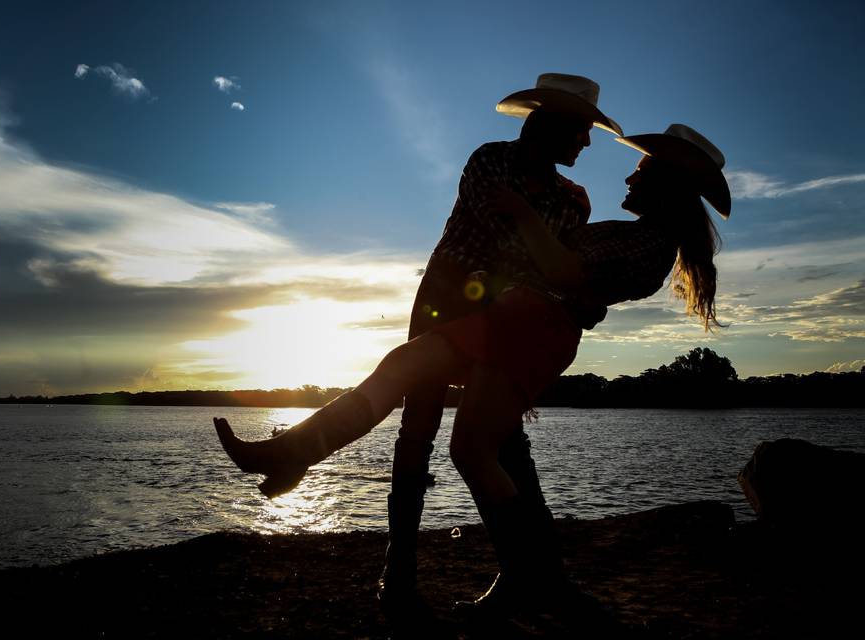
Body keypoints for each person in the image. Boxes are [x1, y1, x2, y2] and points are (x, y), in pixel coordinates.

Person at [214, 122, 731, 622]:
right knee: (402, 366)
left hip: (536, 330)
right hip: (511, 316)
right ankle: (291, 454)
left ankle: (526, 572)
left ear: (668, 183)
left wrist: (522, 214)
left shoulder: (650, 243)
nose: (628, 177)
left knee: (470, 450)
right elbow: (550, 265)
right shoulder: (630, 231)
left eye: (641, 170)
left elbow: (564, 272)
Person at [379, 73, 621, 617]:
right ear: (554, 125)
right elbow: (510, 247)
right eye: (582, 131)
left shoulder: (573, 199)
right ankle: (400, 569)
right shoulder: (490, 159)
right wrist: (552, 273)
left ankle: (533, 571)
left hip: (504, 309)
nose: (586, 143)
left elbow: (552, 265)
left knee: (504, 439)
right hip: (448, 294)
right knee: (419, 425)